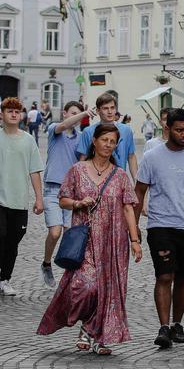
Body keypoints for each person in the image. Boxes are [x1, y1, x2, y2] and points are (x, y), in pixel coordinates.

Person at [36, 123, 142, 355]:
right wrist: (78, 203)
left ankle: (97, 336)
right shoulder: (77, 170)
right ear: (94, 141)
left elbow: (128, 208)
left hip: (113, 241)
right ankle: (86, 324)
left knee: (109, 289)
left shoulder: (120, 175)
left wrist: (134, 240)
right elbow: (63, 199)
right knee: (86, 286)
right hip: (85, 239)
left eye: (112, 142)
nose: (108, 145)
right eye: (104, 140)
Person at [134, 108, 184, 349]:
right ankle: (163, 327)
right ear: (167, 129)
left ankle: (177, 324)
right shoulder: (152, 157)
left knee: (182, 276)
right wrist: (134, 226)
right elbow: (139, 192)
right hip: (160, 224)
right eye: (179, 130)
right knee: (164, 275)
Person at [0, 97, 45, 296]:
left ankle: (5, 280)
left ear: (21, 115)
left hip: (19, 200)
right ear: (2, 115)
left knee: (13, 240)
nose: (14, 114)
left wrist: (39, 198)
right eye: (10, 111)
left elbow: (34, 171)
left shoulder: (28, 140)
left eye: (17, 111)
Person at [40, 101, 94, 288]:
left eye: (78, 114)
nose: (75, 117)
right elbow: (64, 125)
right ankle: (46, 263)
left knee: (69, 234)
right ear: (65, 113)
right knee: (55, 232)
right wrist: (84, 113)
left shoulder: (81, 137)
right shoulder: (55, 129)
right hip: (52, 189)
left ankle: (68, 276)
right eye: (72, 113)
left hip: (71, 191)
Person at [76, 92, 138, 180]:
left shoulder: (126, 130)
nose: (110, 112)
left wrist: (136, 181)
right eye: (105, 108)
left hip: (119, 179)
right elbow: (83, 159)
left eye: (112, 108)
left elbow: (131, 156)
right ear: (98, 111)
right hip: (95, 180)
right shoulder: (88, 132)